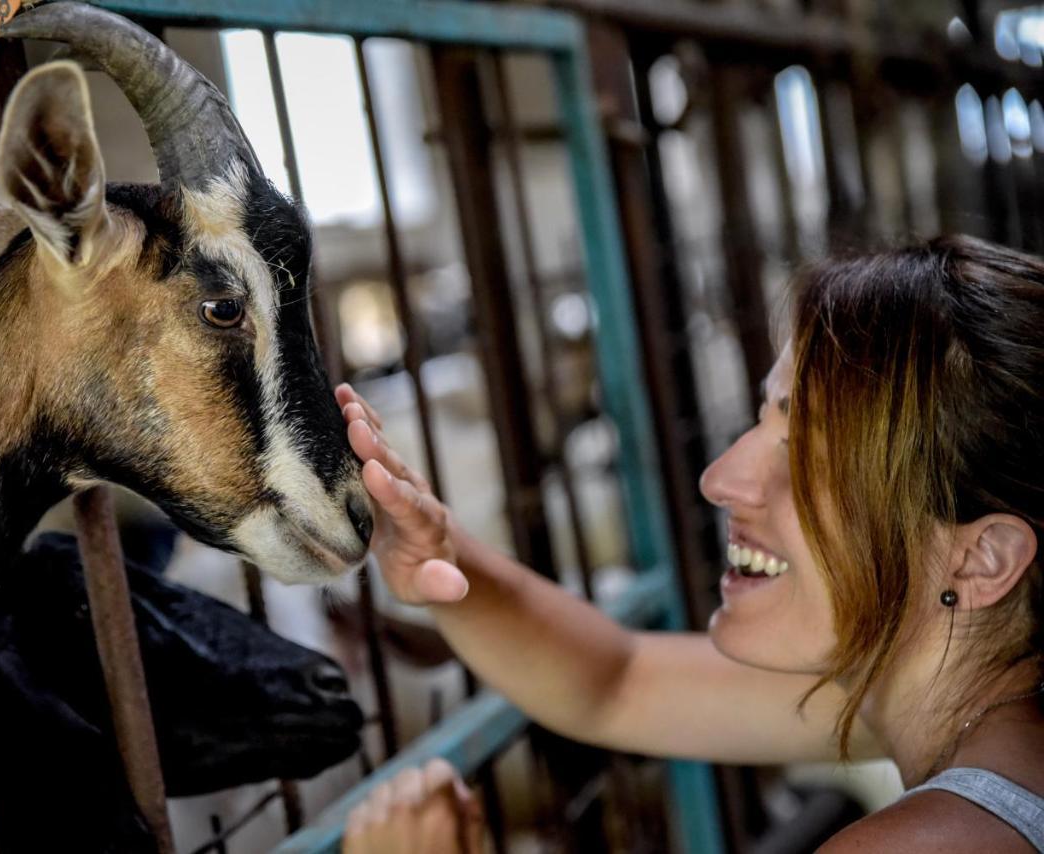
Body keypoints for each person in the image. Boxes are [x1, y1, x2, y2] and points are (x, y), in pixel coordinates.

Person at [334, 235, 1044, 853]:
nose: (719, 479)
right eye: (764, 418)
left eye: (807, 456)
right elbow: (617, 683)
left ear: (981, 559)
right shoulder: (966, 705)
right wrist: (442, 551)